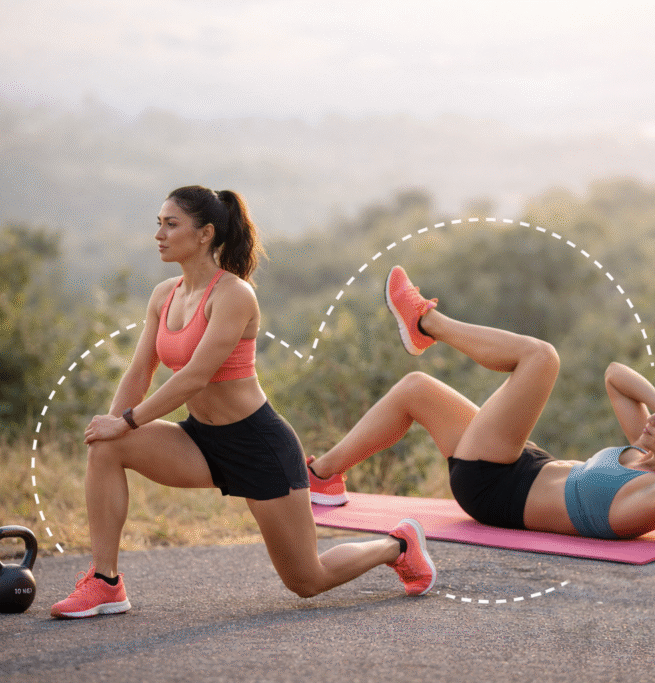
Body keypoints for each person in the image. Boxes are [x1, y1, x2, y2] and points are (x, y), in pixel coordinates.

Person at [51, 187, 435, 619]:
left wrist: (127, 420)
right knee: (107, 448)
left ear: (205, 234)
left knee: (306, 581)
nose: (159, 233)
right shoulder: (164, 295)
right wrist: (111, 422)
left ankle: (398, 544)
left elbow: (195, 376)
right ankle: (105, 583)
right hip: (200, 441)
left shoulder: (234, 295)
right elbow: (140, 371)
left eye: (170, 224)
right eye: (158, 223)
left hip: (258, 445)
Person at [308, 265, 655, 544]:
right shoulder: (646, 449)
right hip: (518, 462)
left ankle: (426, 324)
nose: (652, 420)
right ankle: (325, 475)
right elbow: (616, 376)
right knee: (416, 388)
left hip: (494, 487)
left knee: (540, 358)